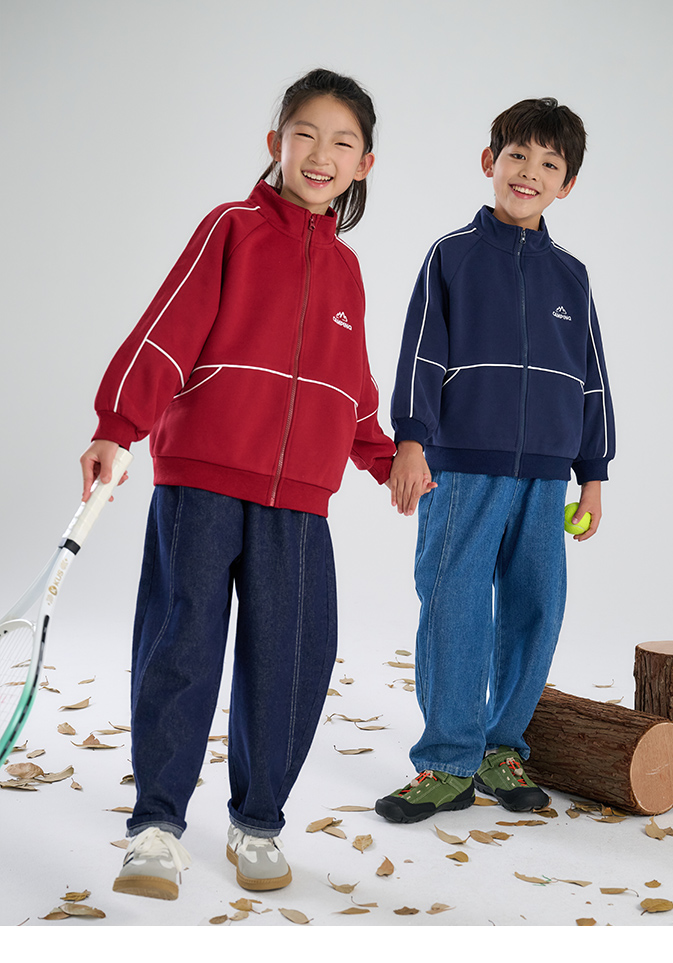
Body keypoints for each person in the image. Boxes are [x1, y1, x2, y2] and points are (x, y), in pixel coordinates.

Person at [80, 68, 396, 898]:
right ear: (275, 143)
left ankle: (258, 821)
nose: (321, 154)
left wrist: (386, 455)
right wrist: (118, 424)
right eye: (305, 134)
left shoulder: (348, 271)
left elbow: (352, 384)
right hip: (202, 483)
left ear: (364, 163)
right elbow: (169, 327)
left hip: (299, 502)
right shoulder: (232, 227)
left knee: (292, 659)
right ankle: (155, 825)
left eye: (343, 142)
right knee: (181, 649)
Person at [378, 98, 615, 823]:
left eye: (549, 163)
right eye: (517, 155)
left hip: (545, 478)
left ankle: (500, 748)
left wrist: (593, 475)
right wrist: (411, 441)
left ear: (566, 184)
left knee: (536, 607)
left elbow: (592, 379)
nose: (529, 172)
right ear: (490, 161)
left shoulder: (571, 276)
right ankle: (447, 762)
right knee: (453, 605)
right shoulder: (452, 256)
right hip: (460, 469)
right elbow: (421, 353)